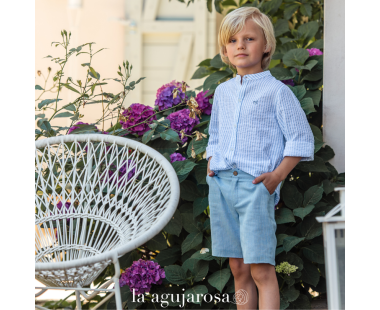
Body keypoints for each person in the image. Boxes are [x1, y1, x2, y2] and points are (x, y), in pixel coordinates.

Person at [205, 6, 314, 310]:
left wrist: (276, 178)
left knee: (260, 269)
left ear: (265, 45)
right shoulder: (223, 92)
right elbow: (215, 135)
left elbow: (301, 139)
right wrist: (211, 161)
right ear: (225, 50)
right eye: (233, 40)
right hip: (221, 184)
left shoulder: (277, 92)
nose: (240, 45)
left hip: (256, 186)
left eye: (249, 38)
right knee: (238, 268)